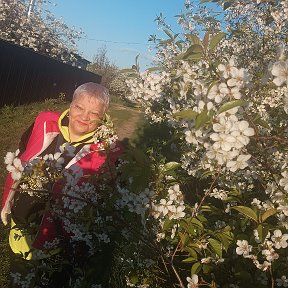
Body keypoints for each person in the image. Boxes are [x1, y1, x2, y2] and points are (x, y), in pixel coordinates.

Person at [1, 82, 124, 287]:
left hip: (59, 242)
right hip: (21, 230)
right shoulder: (43, 123)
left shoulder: (107, 151)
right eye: (79, 107)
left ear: (103, 117)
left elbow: (105, 199)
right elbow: (23, 151)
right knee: (18, 277)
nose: (84, 117)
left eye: (94, 113)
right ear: (70, 105)